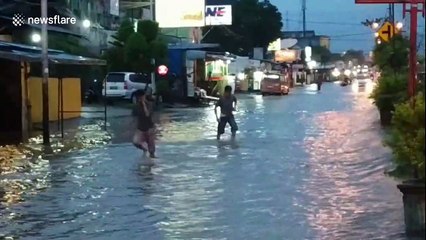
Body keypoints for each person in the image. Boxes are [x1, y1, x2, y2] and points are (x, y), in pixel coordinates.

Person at [132, 89, 157, 158]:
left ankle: (152, 161)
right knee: (136, 142)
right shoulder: (136, 106)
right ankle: (144, 149)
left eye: (140, 97)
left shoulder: (149, 104)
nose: (139, 98)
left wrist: (143, 104)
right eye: (138, 97)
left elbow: (147, 114)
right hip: (140, 128)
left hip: (150, 128)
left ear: (144, 96)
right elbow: (134, 118)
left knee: (151, 149)